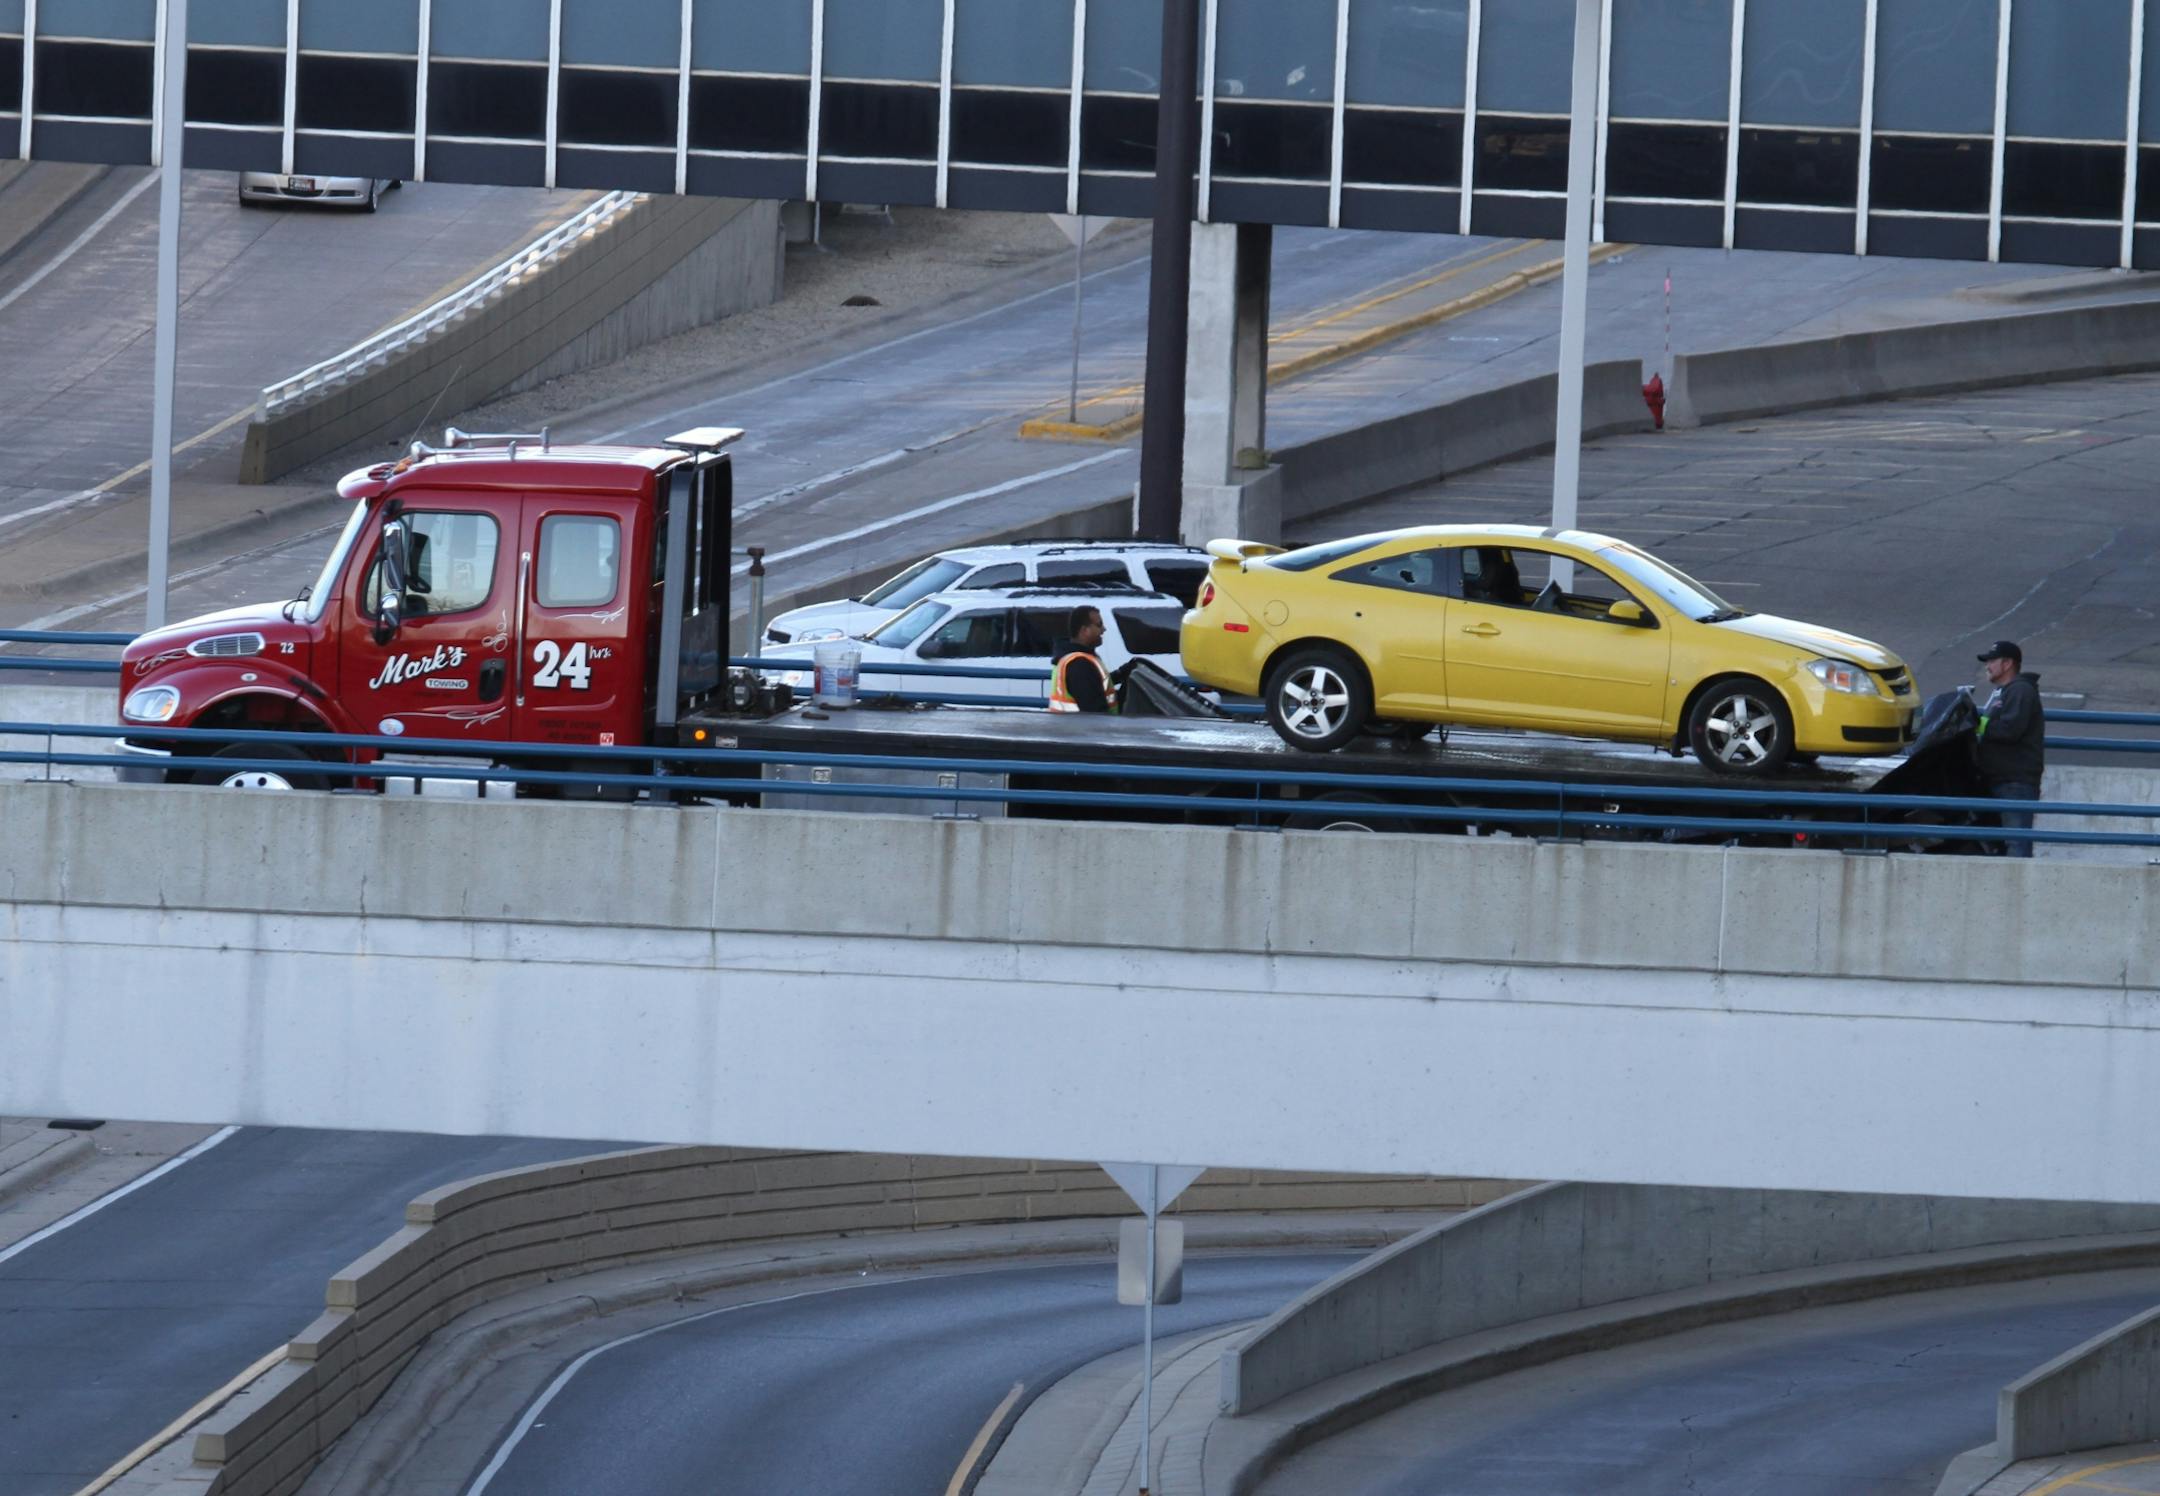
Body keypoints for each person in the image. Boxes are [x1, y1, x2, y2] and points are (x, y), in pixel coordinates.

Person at [1974, 639, 2044, 858]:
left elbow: (2010, 730)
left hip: (2015, 782)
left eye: (1992, 661)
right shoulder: (2006, 692)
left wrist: (1978, 726)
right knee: (2004, 844)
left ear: (2007, 664)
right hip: (2002, 779)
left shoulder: (2020, 691)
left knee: (2016, 844)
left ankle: (2018, 890)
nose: (1987, 665)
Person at [1048, 605, 1116, 714]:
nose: (1103, 629)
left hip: (1072, 727)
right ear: (1084, 630)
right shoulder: (1079, 664)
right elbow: (1094, 712)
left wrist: (1121, 673)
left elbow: (1096, 684)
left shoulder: (1077, 658)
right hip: (1082, 729)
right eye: (1099, 625)